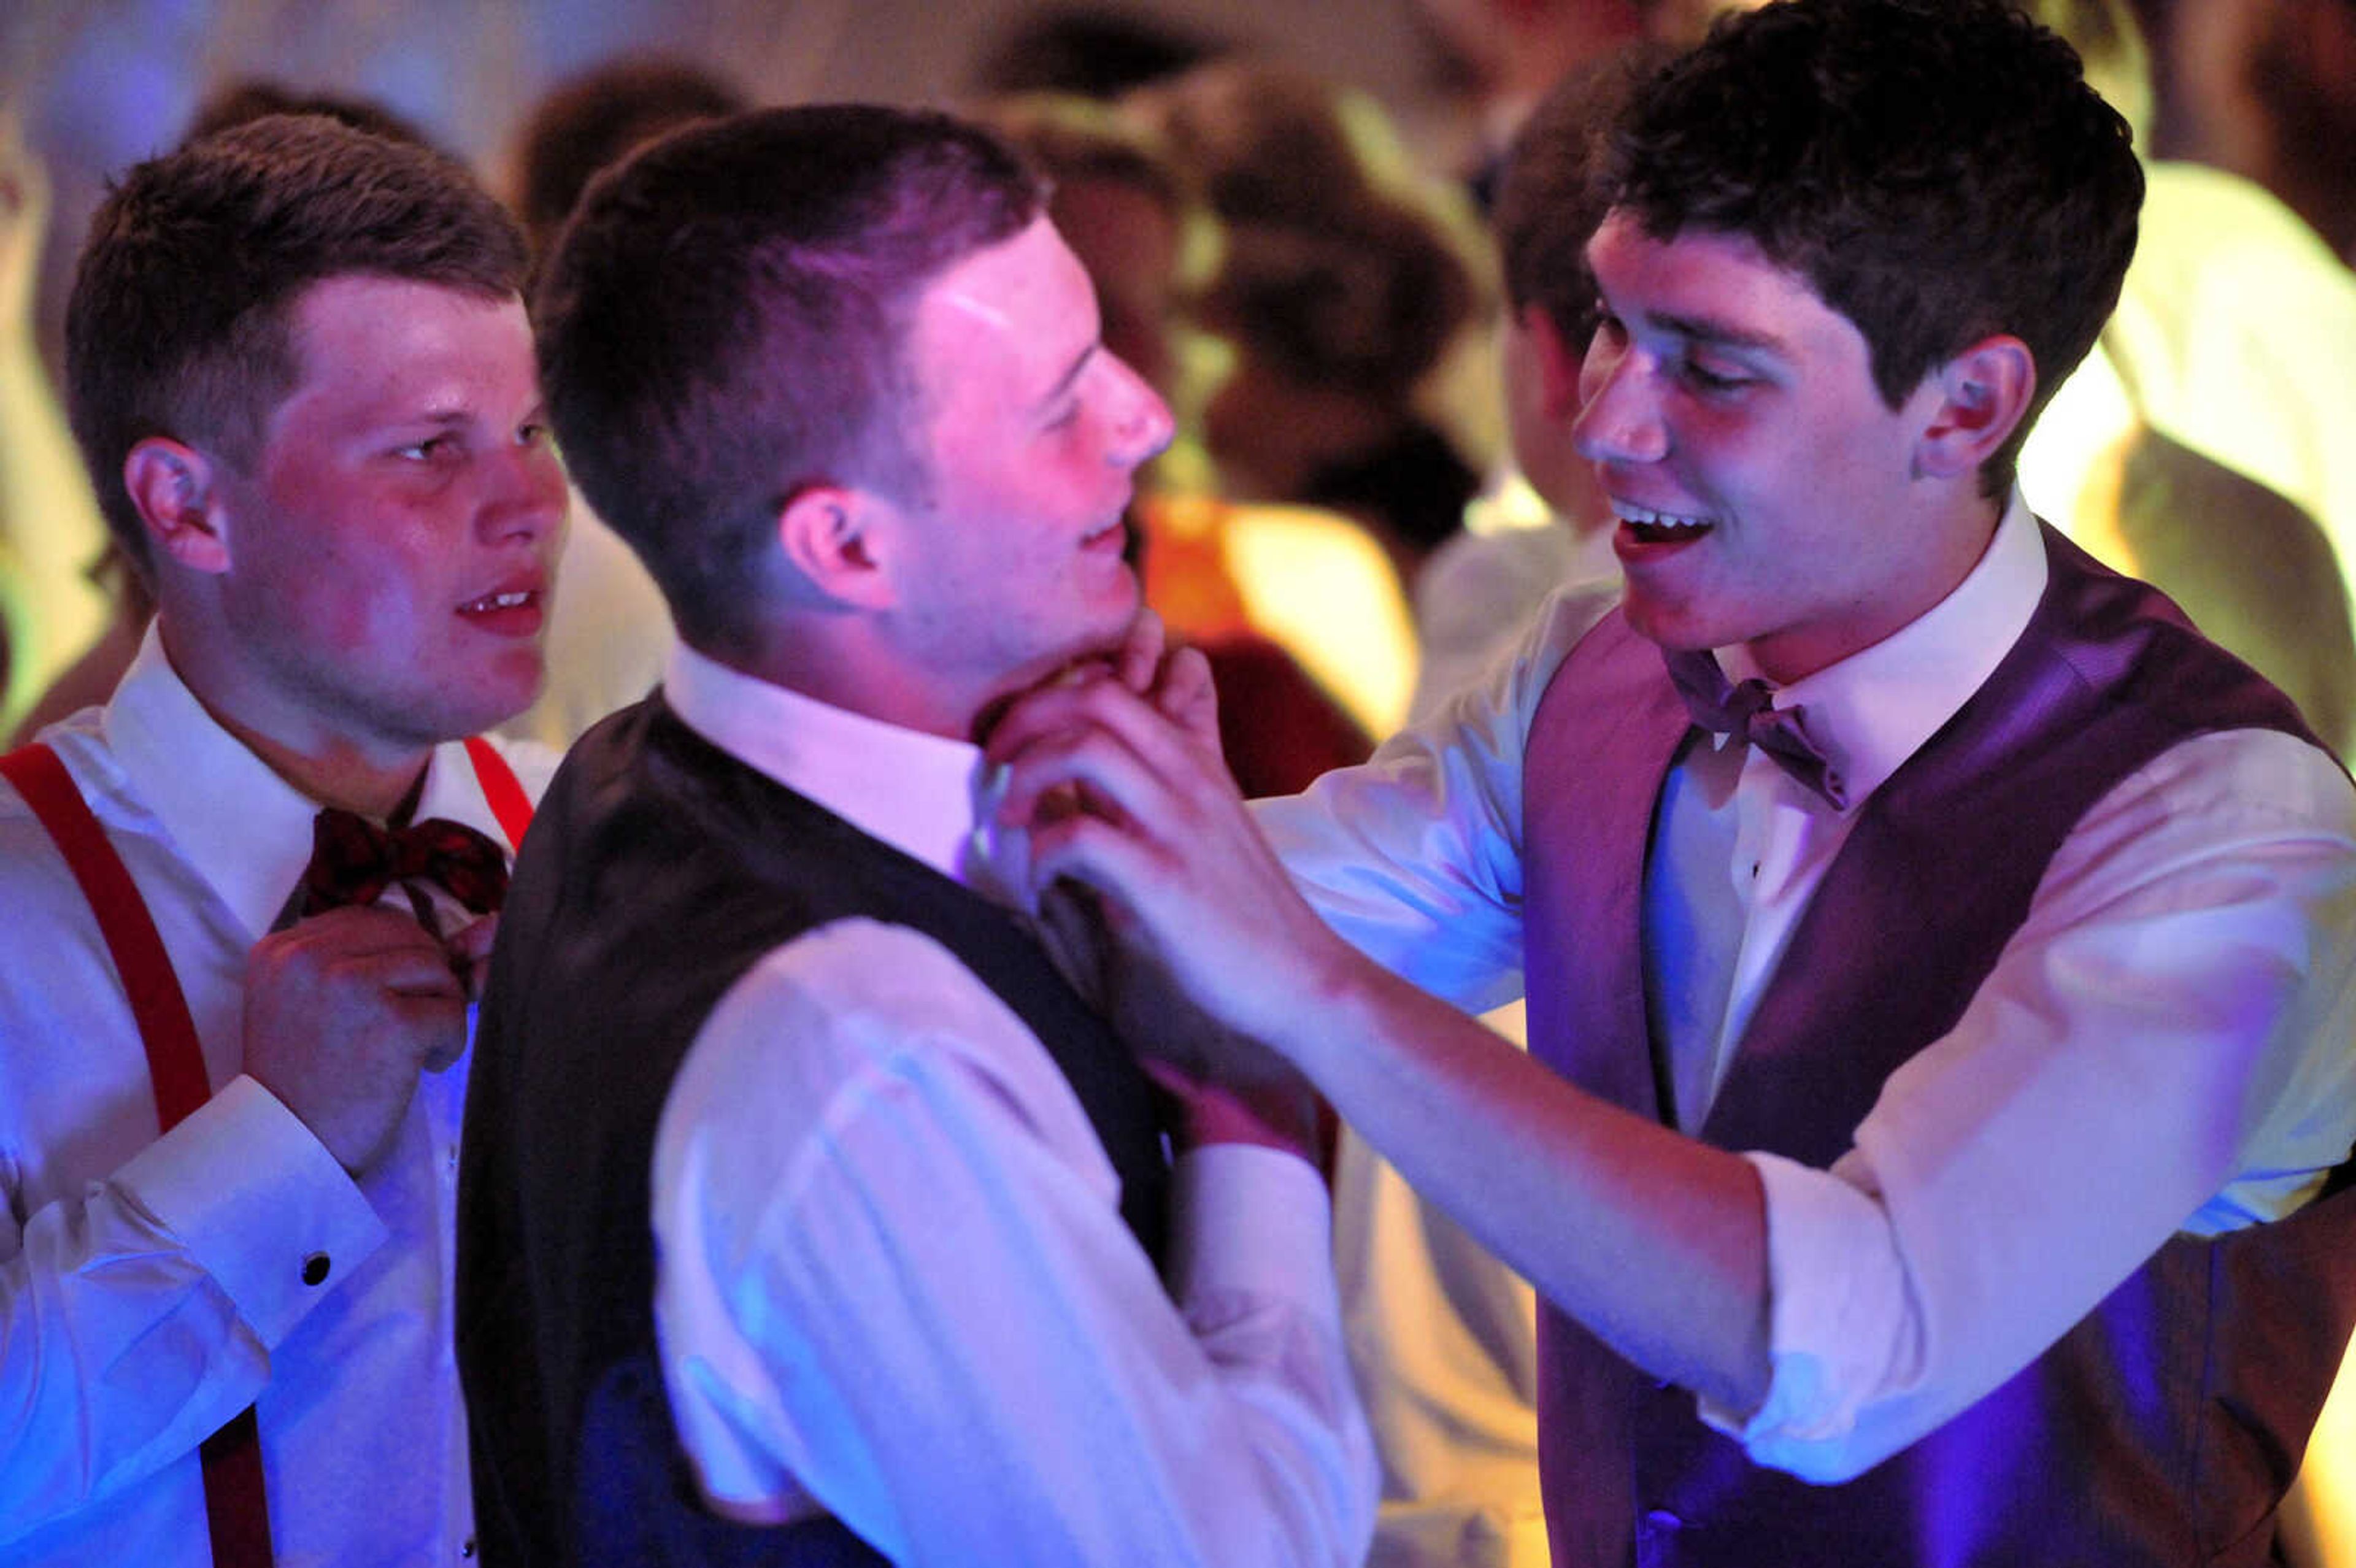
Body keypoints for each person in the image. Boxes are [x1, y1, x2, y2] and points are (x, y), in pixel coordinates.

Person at [987, 2, 2356, 1562]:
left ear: (1966, 405)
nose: (1604, 422)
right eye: (1610, 326)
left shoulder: (2230, 825)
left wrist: (1298, 987)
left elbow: (1864, 1340)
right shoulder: (1589, 664)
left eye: (1708, 366)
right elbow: (1235, 922)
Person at [455, 104, 1375, 1567]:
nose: (1147, 418)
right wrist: (1248, 1113)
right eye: (1066, 396)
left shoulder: (621, 781)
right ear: (847, 545)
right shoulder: (855, 1049)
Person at [0, 113, 564, 1566]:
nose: (531, 506)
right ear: (186, 505)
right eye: (431, 449)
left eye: (530, 431)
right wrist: (283, 1148)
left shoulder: (609, 846)